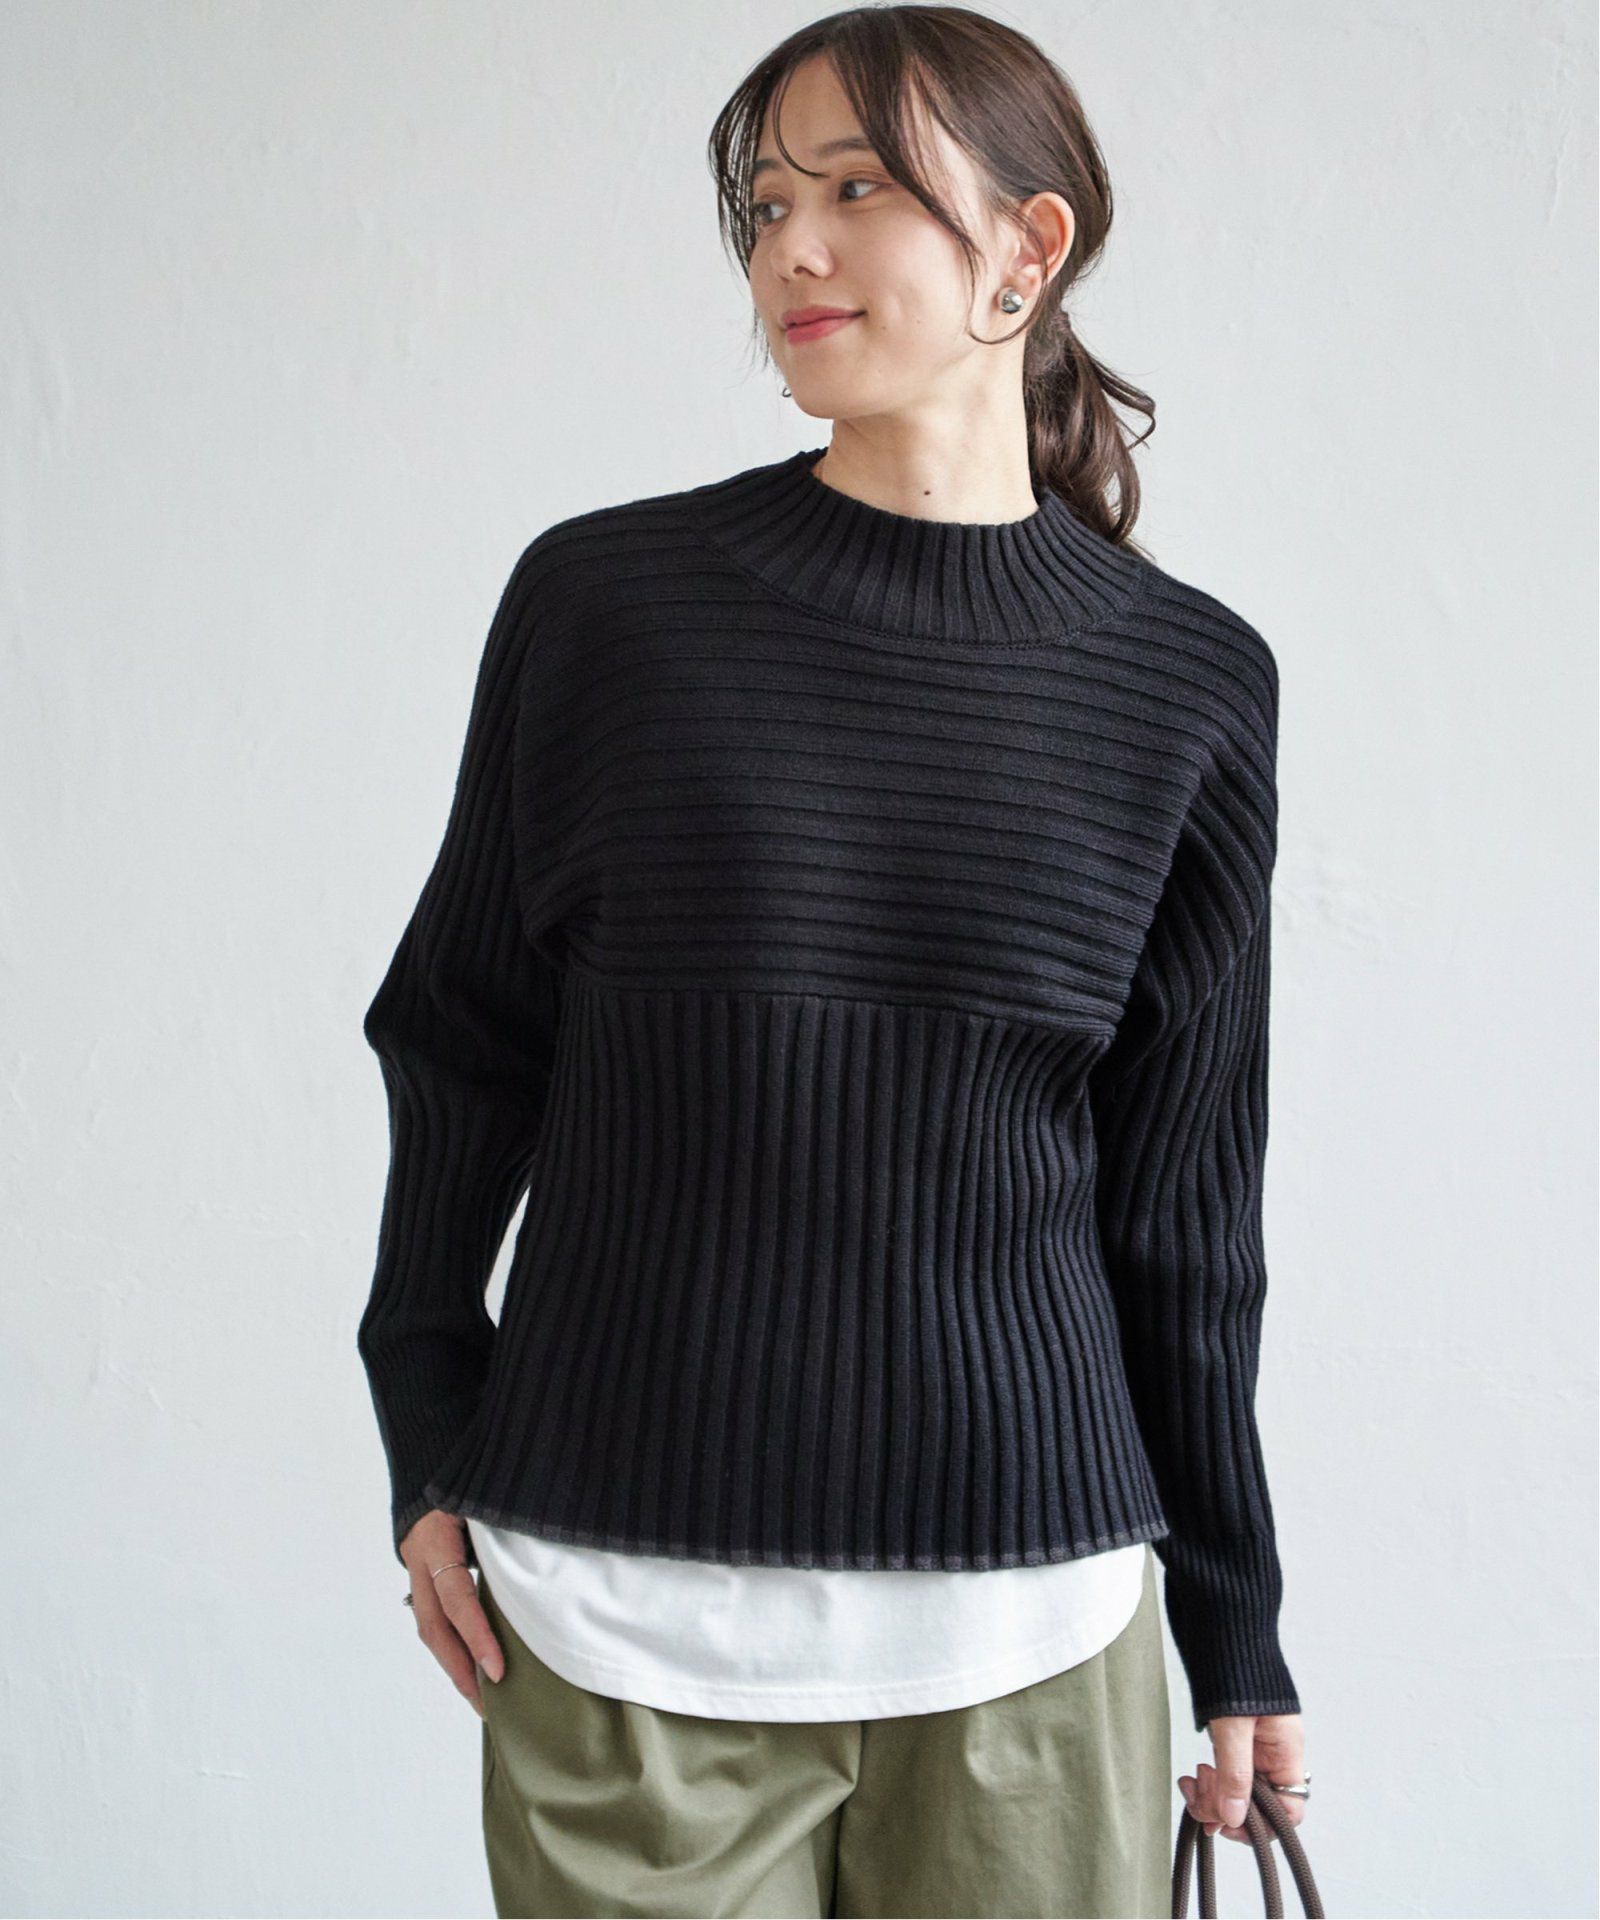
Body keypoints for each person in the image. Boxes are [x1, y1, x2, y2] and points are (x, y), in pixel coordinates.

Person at [357, 8, 1312, 1915]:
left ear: (1028, 249)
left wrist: (1239, 1630)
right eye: (766, 202)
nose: (790, 247)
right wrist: (427, 1434)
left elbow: (1185, 1208)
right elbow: (459, 1041)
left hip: (1037, 1642)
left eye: (858, 189)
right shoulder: (606, 606)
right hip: (619, 1631)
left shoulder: (1188, 685)